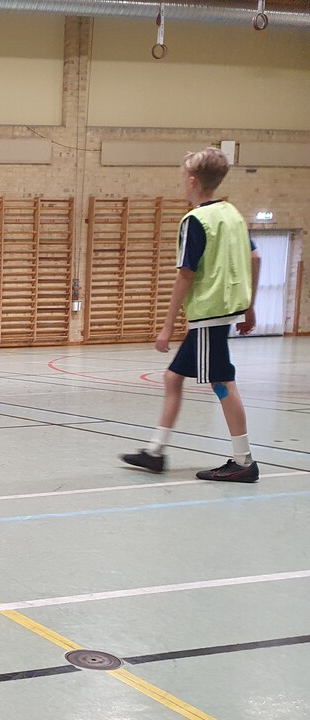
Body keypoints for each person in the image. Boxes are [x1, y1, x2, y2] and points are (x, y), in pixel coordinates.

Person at [121, 147, 262, 482]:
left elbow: (185, 274)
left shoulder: (196, 220)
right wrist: (249, 306)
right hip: (223, 310)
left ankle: (244, 462)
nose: (183, 181)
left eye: (184, 176)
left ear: (194, 180)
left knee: (223, 384)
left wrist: (167, 327)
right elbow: (255, 258)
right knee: (173, 378)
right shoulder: (232, 213)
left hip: (209, 314)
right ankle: (155, 452)